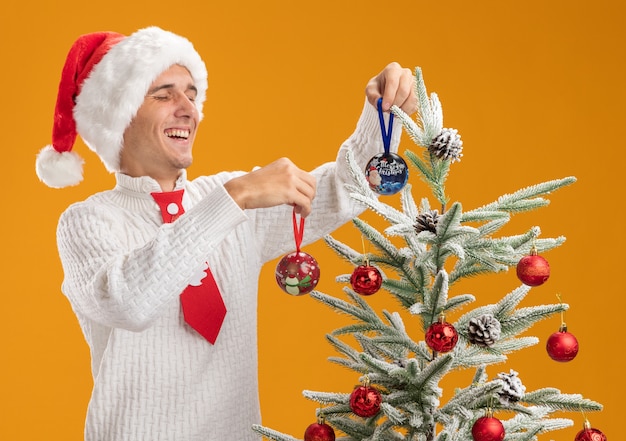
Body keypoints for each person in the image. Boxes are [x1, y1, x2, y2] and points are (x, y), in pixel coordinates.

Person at [36, 26, 417, 441]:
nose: (188, 109)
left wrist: (381, 114)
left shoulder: (231, 200)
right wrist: (233, 198)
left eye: (192, 94)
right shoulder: (89, 221)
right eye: (164, 95)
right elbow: (128, 302)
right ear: (119, 117)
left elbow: (345, 190)